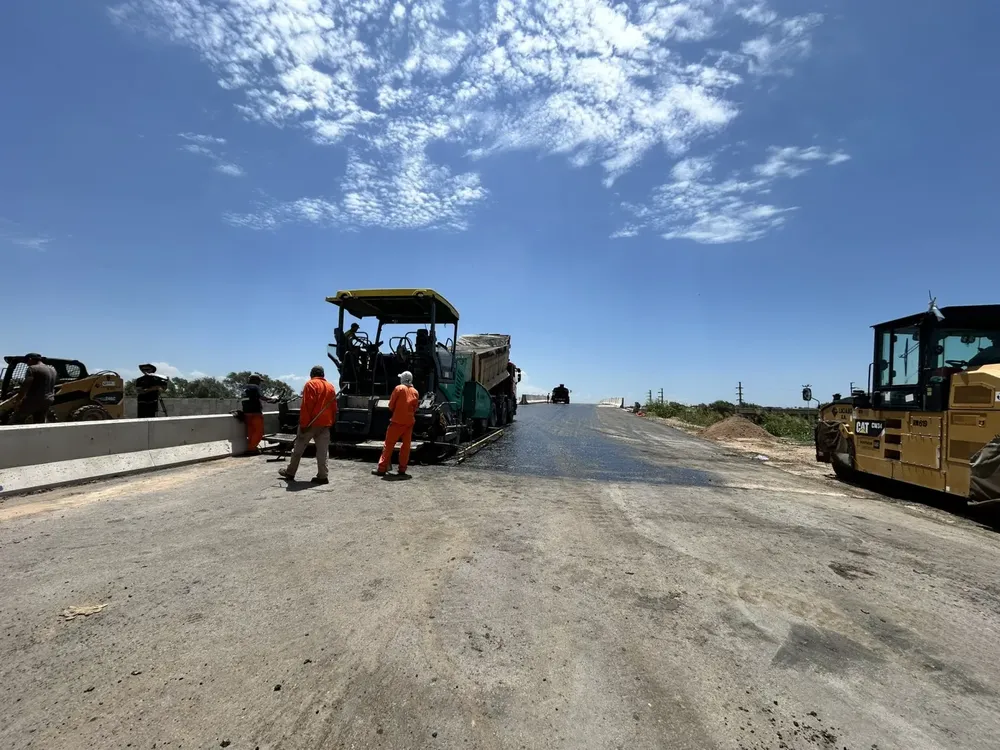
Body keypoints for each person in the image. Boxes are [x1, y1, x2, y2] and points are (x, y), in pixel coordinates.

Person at [279, 366, 337, 484]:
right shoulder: (331, 386)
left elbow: (307, 406)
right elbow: (334, 407)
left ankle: (290, 473)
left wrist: (304, 424)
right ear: (323, 374)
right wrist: (331, 422)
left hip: (311, 423)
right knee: (323, 452)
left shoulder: (310, 384)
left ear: (311, 374)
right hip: (325, 424)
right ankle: (322, 476)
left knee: (298, 449)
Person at [374, 370, 420, 478]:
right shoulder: (415, 392)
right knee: (406, 447)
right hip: (409, 423)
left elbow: (391, 405)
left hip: (397, 422)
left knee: (388, 445)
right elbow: (415, 408)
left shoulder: (398, 389)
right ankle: (402, 469)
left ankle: (381, 469)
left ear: (402, 379)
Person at [11, 353, 57, 424]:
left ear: (30, 359)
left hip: (33, 400)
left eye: (26, 362)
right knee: (39, 422)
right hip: (48, 400)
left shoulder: (33, 368)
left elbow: (26, 385)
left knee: (15, 421)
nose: (27, 364)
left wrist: (18, 400)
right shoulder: (52, 370)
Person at [243, 374, 278, 454]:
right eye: (259, 381)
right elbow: (261, 397)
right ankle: (251, 448)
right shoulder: (255, 387)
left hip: (246, 413)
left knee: (251, 431)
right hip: (255, 413)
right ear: (255, 380)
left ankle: (251, 447)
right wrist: (272, 398)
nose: (259, 383)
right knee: (258, 432)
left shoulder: (245, 388)